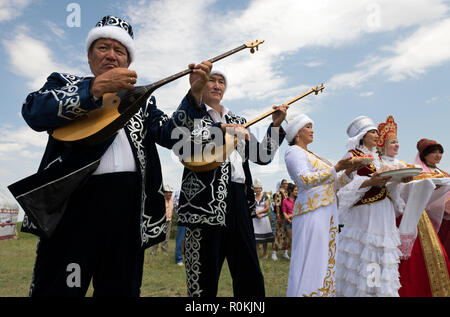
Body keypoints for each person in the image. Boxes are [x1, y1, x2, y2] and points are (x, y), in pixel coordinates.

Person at [9, 15, 210, 296]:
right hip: (72, 212)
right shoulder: (64, 82)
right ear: (90, 57)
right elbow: (33, 111)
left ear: (128, 62)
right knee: (58, 290)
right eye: (103, 48)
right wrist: (92, 90)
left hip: (127, 216)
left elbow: (171, 136)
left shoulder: (142, 99)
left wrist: (195, 96)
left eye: (120, 51)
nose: (111, 56)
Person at [172, 64, 288, 297]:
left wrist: (275, 125)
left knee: (250, 276)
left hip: (239, 204)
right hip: (202, 205)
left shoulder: (239, 120)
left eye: (221, 82)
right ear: (201, 84)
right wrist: (221, 131)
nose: (216, 85)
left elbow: (262, 156)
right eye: (211, 80)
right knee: (202, 279)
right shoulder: (191, 114)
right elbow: (180, 145)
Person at [283, 114, 355, 297]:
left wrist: (348, 172)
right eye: (307, 126)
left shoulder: (315, 156)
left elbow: (332, 184)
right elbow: (304, 180)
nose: (312, 130)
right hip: (311, 212)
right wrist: (337, 167)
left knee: (325, 259)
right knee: (311, 259)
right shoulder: (293, 152)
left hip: (328, 212)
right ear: (297, 133)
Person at [336, 115, 403, 297]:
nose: (376, 134)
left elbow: (386, 182)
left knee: (381, 249)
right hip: (365, 211)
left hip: (383, 210)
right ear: (363, 135)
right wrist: (369, 182)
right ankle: (366, 291)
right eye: (372, 131)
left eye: (376, 131)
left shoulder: (379, 158)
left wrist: (400, 179)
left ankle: (378, 291)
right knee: (367, 250)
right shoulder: (352, 156)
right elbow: (340, 185)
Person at [392, 138, 450, 297]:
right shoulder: (417, 172)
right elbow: (410, 194)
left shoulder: (442, 173)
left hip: (436, 219)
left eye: (440, 152)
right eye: (433, 152)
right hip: (417, 217)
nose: (438, 155)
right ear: (424, 155)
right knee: (416, 258)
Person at [149, 184, 174, 255]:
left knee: (166, 237)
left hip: (168, 221)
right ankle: (153, 252)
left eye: (171, 192)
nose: (170, 194)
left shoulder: (172, 199)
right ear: (164, 193)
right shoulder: (160, 199)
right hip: (160, 220)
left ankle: (164, 252)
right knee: (157, 236)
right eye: (168, 192)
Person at [252, 179, 274, 259]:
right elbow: (251, 208)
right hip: (255, 220)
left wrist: (258, 212)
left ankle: (265, 253)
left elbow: (267, 208)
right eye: (256, 188)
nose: (257, 190)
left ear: (261, 189)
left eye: (259, 188)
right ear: (254, 189)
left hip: (264, 219)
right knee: (256, 238)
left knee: (265, 237)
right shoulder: (252, 197)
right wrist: (256, 214)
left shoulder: (265, 197)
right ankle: (257, 253)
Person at [272, 179, 290, 261]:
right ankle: (274, 253)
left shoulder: (287, 193)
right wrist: (278, 216)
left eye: (286, 183)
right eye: (284, 183)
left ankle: (285, 253)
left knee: (286, 234)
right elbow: (277, 205)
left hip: (287, 216)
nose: (286, 185)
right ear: (281, 184)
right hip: (281, 217)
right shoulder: (279, 193)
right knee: (278, 234)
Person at [282, 183, 298, 251]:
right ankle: (293, 256)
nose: (297, 192)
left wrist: (291, 215)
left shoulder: (299, 200)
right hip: (289, 222)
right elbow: (284, 212)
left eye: (297, 190)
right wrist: (289, 219)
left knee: (298, 239)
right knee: (292, 239)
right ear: (290, 191)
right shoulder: (285, 200)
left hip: (298, 221)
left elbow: (299, 211)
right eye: (295, 190)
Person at [173, 189, 186, 266]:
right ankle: (178, 259)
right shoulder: (178, 191)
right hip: (182, 217)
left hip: (193, 218)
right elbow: (175, 205)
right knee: (180, 238)